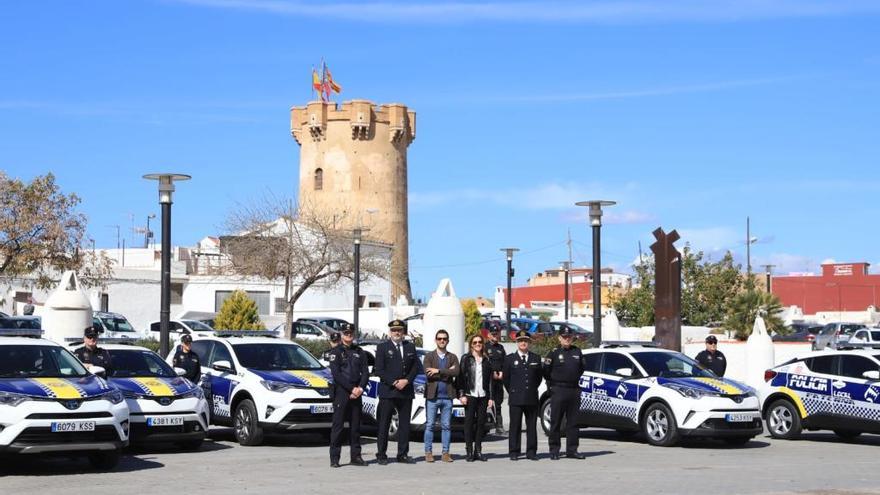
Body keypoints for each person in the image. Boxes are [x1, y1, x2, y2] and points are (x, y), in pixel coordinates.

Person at [374, 319, 421, 465]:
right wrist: (394, 382)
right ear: (390, 332)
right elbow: (379, 370)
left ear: (403, 332)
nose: (397, 333)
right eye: (394, 330)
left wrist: (406, 380)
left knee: (405, 424)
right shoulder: (382, 347)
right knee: (384, 423)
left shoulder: (410, 347)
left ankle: (402, 454)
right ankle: (381, 454)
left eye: (399, 330)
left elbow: (416, 367)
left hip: (405, 390)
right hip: (389, 391)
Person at [328, 323, 369, 468]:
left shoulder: (360, 352)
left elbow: (365, 372)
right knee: (338, 427)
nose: (348, 335)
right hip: (342, 393)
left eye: (350, 333)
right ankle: (334, 458)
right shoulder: (336, 352)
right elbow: (336, 375)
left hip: (357, 394)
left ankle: (356, 456)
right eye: (346, 333)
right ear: (341, 334)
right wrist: (351, 389)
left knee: (355, 427)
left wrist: (360, 388)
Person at [543, 326, 585, 460]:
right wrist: (553, 385)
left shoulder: (577, 351)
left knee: (573, 422)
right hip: (559, 390)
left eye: (569, 337)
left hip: (574, 389)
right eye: (564, 337)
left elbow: (582, 369)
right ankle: (554, 450)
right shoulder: (554, 353)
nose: (567, 339)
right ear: (559, 338)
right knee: (556, 421)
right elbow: (546, 371)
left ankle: (572, 450)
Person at [503, 330, 543, 461]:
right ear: (516, 342)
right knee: (515, 426)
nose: (523, 343)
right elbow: (506, 379)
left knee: (531, 426)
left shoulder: (536, 358)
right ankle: (514, 451)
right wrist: (513, 391)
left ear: (529, 342)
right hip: (516, 397)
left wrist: (531, 389)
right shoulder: (509, 359)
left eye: (525, 340)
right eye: (520, 340)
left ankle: (531, 451)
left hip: (531, 397)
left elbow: (538, 378)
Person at [422, 329, 460, 463]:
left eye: (444, 339)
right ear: (436, 340)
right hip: (432, 397)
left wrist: (438, 371)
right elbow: (427, 374)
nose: (442, 341)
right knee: (430, 425)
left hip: (447, 397)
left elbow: (456, 372)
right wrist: (446, 372)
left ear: (448, 341)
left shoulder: (453, 357)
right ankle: (428, 452)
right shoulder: (429, 356)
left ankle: (445, 453)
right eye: (439, 338)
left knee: (446, 426)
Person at [457, 334, 494, 462]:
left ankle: (478, 450)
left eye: (480, 342)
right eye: (475, 342)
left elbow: (490, 380)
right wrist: (461, 394)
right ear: (471, 344)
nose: (478, 344)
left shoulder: (486, 359)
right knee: (468, 423)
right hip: (470, 395)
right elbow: (460, 378)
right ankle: (469, 451)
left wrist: (491, 397)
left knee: (480, 423)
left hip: (483, 395)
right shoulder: (466, 359)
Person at [485, 324, 507, 435]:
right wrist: (491, 372)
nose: (495, 336)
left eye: (496, 334)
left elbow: (505, 362)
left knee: (498, 403)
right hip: (488, 380)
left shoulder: (500, 348)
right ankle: (485, 425)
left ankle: (499, 426)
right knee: (487, 402)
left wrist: (502, 372)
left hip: (499, 380)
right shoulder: (485, 347)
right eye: (493, 334)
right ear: (489, 335)